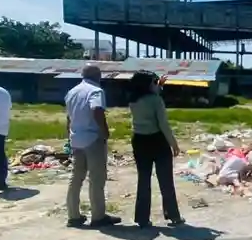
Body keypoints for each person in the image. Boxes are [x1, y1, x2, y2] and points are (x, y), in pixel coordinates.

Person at [64, 64, 120, 228]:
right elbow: (96, 110)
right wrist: (105, 131)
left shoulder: (72, 92)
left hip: (76, 139)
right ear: (98, 75)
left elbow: (68, 117)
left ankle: (73, 216)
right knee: (96, 179)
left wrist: (69, 134)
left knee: (76, 178)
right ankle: (98, 216)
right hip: (92, 138)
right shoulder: (96, 91)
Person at [127, 72, 184, 228]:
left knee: (143, 180)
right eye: (154, 82)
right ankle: (173, 215)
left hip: (139, 140)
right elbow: (163, 124)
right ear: (148, 85)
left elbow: (150, 95)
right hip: (157, 140)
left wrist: (160, 86)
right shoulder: (156, 100)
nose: (156, 84)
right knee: (165, 180)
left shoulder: (133, 99)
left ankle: (142, 218)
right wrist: (174, 144)